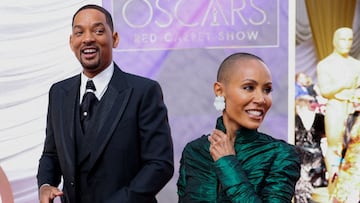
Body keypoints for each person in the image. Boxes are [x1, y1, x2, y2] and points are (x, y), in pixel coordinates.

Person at [36, 4, 174, 203]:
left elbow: (159, 164)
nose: (88, 38)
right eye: (79, 32)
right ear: (71, 41)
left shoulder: (144, 91)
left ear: (115, 38)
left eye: (98, 31)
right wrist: (46, 185)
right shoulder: (58, 93)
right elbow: (51, 154)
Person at [177, 52, 301, 202]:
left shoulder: (281, 155)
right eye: (249, 87)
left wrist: (227, 163)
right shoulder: (195, 151)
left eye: (267, 90)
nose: (261, 99)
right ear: (220, 91)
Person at [316, 27, 360, 192]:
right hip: (336, 107)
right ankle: (333, 188)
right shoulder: (325, 64)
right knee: (335, 146)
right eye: (343, 39)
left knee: (355, 147)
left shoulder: (356, 64)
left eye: (350, 39)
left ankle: (352, 186)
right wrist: (344, 83)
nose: (347, 43)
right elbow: (325, 90)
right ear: (335, 41)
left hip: (354, 107)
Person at [293, 95, 326, 203]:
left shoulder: (293, 119)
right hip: (315, 156)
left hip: (300, 157)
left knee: (301, 190)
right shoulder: (320, 118)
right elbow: (326, 135)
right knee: (314, 190)